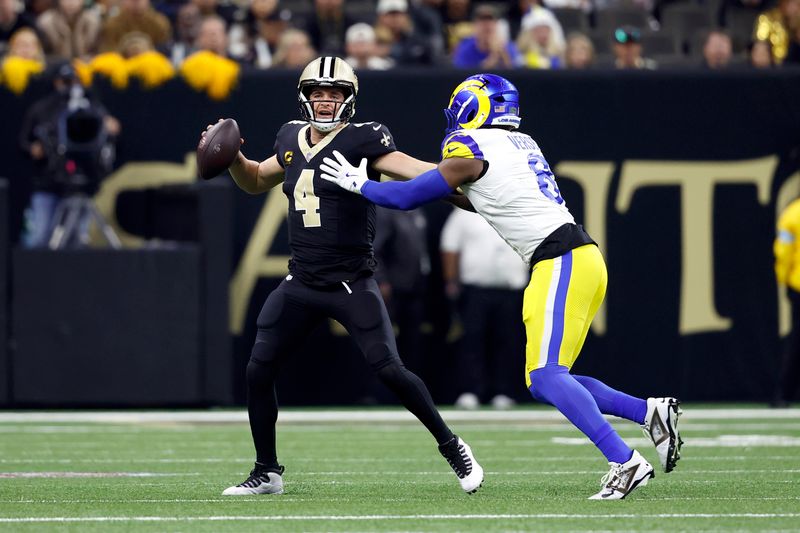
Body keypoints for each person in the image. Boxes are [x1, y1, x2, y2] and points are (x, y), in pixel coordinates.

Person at [320, 73, 684, 500]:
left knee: (547, 377)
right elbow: (465, 195)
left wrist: (360, 185)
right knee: (550, 378)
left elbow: (406, 198)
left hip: (561, 260)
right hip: (577, 258)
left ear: (474, 106)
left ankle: (624, 461)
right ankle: (648, 413)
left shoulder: (474, 147)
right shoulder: (516, 142)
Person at [210, 56, 482, 496]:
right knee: (258, 369)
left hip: (351, 282)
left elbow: (416, 171)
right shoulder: (289, 137)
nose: (325, 99)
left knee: (390, 370)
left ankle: (452, 446)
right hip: (301, 281)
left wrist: (462, 186)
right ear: (304, 96)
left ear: (349, 99)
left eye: (334, 92)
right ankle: (267, 471)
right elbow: (257, 179)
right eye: (318, 92)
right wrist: (234, 157)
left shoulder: (364, 139)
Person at [441, 208, 529, 410]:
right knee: (472, 340)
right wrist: (451, 281)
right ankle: (471, 391)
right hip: (475, 290)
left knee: (508, 341)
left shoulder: (517, 212)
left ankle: (504, 391)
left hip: (512, 290)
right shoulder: (463, 213)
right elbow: (450, 247)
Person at [772, 199, 800, 407]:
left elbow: (783, 252)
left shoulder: (793, 213)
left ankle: (784, 394)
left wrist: (784, 279)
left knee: (796, 340)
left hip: (798, 284)